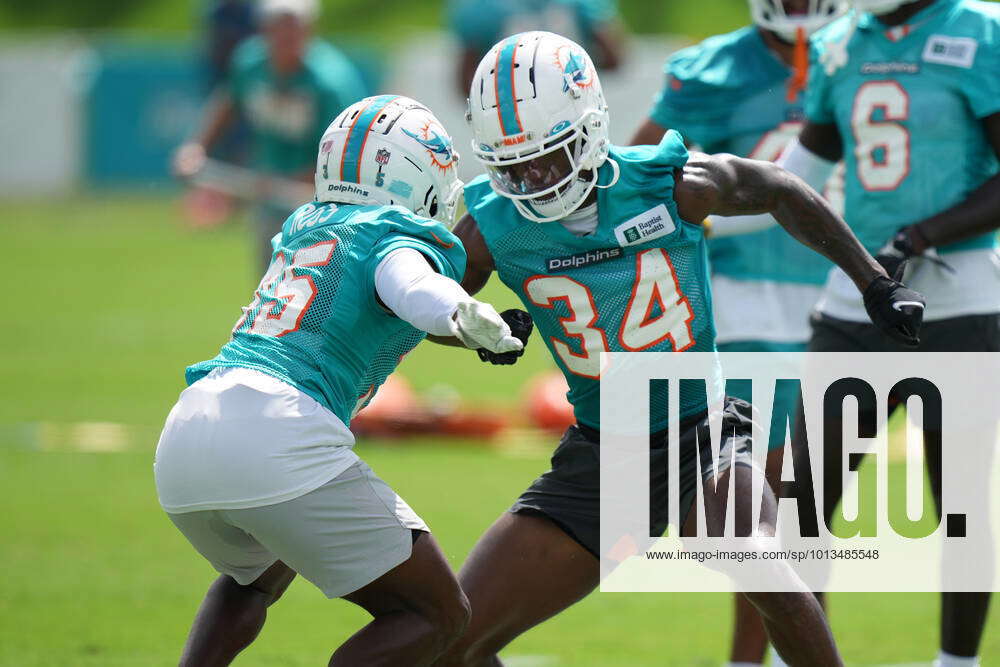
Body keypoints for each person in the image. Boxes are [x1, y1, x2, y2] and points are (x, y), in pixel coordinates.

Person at [432, 31, 925, 666]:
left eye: (547, 157)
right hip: (603, 456)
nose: (531, 178)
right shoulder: (492, 222)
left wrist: (875, 284)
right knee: (451, 641)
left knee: (765, 568)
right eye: (514, 164)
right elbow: (433, 304)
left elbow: (779, 188)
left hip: (704, 435)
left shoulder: (667, 183)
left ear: (588, 131)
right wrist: (470, 326)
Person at [155, 95, 528, 666]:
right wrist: (460, 310)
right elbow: (410, 284)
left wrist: (472, 331)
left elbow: (386, 301)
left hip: (190, 429)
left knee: (254, 579)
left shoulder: (309, 225)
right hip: (278, 434)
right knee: (439, 615)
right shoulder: (393, 235)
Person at [770, 0, 999, 664]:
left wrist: (920, 235)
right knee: (804, 500)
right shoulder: (842, 42)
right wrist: (699, 202)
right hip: (854, 302)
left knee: (956, 505)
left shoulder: (980, 31)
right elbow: (795, 181)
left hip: (958, 302)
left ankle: (957, 661)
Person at [630, 1, 846, 665]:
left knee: (808, 505)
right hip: (741, 301)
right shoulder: (710, 70)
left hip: (836, 297)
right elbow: (638, 177)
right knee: (766, 502)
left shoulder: (859, 52)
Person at [174, 0, 367, 271]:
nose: (286, 40)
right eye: (278, 31)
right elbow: (229, 102)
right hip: (269, 197)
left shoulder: (330, 84)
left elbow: (345, 154)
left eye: (294, 31)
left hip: (322, 204)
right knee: (270, 279)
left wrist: (285, 181)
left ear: (310, 32)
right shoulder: (250, 64)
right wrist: (196, 147)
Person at [448, 0, 624, 97]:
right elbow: (613, 58)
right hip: (572, 99)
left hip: (511, 109)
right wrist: (570, 72)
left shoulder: (481, 8)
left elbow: (466, 83)